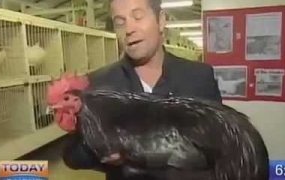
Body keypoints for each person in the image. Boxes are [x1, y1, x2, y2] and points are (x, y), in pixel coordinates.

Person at [62, 0, 222, 179]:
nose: (129, 29)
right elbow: (72, 156)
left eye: (137, 16)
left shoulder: (198, 77)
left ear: (161, 21)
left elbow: (219, 142)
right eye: (120, 22)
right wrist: (100, 150)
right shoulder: (100, 82)